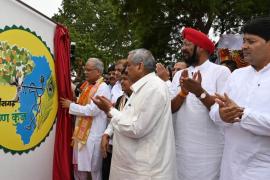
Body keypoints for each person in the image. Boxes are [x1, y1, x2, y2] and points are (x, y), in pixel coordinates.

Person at [93, 48, 177, 180]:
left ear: (140, 66)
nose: (125, 70)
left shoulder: (154, 88)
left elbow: (136, 128)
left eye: (128, 65)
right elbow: (128, 119)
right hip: (134, 168)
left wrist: (109, 110)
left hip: (145, 171)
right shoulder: (143, 87)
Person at [209, 16, 270, 180]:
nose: (244, 46)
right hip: (230, 167)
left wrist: (243, 114)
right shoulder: (236, 75)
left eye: (251, 41)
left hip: (261, 170)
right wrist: (221, 114)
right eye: (244, 41)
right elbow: (215, 110)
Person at [170, 27, 231, 180]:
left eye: (188, 44)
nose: (183, 48)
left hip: (208, 152)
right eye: (183, 44)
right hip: (181, 149)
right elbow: (170, 108)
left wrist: (199, 92)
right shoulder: (178, 75)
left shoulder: (220, 72)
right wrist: (183, 93)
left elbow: (223, 110)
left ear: (202, 48)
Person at [60, 58, 111, 180]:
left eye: (89, 70)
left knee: (94, 171)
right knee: (78, 168)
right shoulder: (86, 86)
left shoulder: (103, 87)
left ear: (98, 72)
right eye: (85, 69)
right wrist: (73, 102)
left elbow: (93, 110)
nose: (85, 72)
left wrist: (71, 106)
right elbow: (81, 104)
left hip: (92, 135)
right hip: (80, 134)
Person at [101, 66, 132, 180]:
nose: (122, 82)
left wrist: (109, 109)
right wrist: (106, 134)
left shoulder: (139, 99)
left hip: (129, 149)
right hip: (114, 145)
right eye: (121, 79)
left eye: (125, 79)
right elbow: (115, 120)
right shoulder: (120, 99)